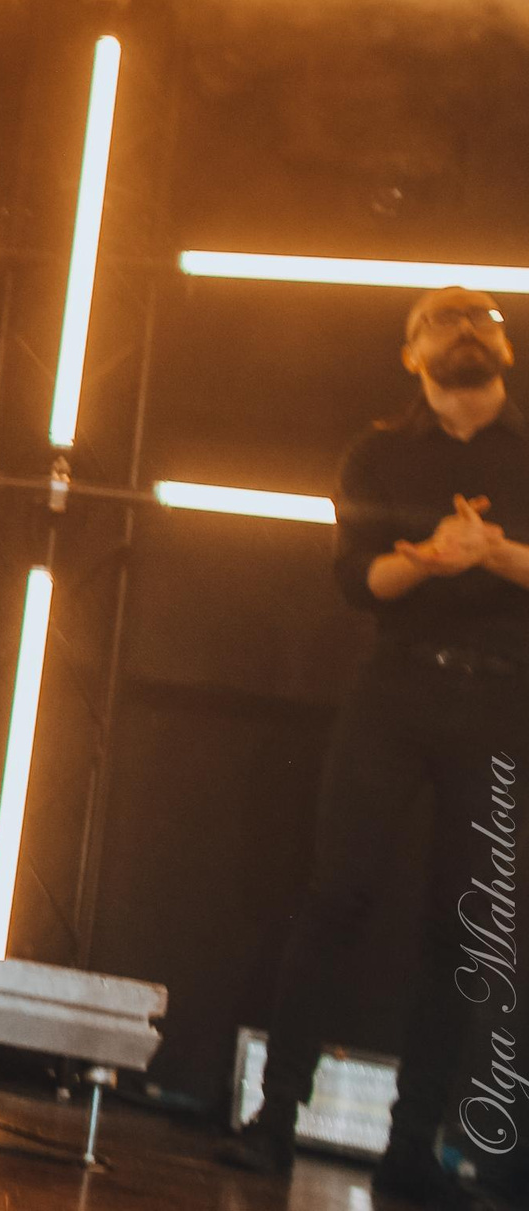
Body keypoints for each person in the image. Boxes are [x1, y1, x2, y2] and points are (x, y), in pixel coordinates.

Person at [222, 286, 529, 1208]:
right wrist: (430, 556)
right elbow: (358, 580)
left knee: (460, 929)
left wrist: (497, 553)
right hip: (394, 689)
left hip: (503, 698)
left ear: (504, 352)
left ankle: (413, 1146)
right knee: (336, 897)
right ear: (412, 354)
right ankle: (274, 1120)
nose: (466, 327)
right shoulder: (378, 450)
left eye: (483, 318)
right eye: (444, 318)